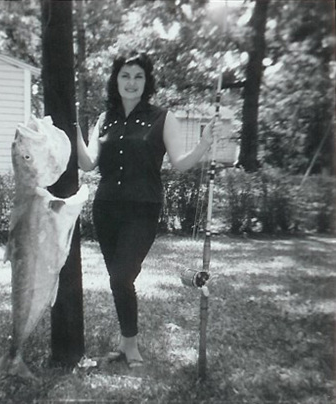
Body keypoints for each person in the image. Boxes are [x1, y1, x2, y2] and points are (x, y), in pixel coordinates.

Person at [77, 51, 216, 368]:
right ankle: (127, 346)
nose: (131, 82)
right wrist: (71, 125)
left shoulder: (162, 117)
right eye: (125, 75)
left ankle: (132, 347)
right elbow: (87, 163)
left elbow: (180, 163)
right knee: (117, 279)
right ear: (116, 80)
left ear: (146, 81)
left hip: (143, 209)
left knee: (123, 274)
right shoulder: (105, 118)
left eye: (138, 76)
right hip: (106, 208)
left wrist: (204, 145)